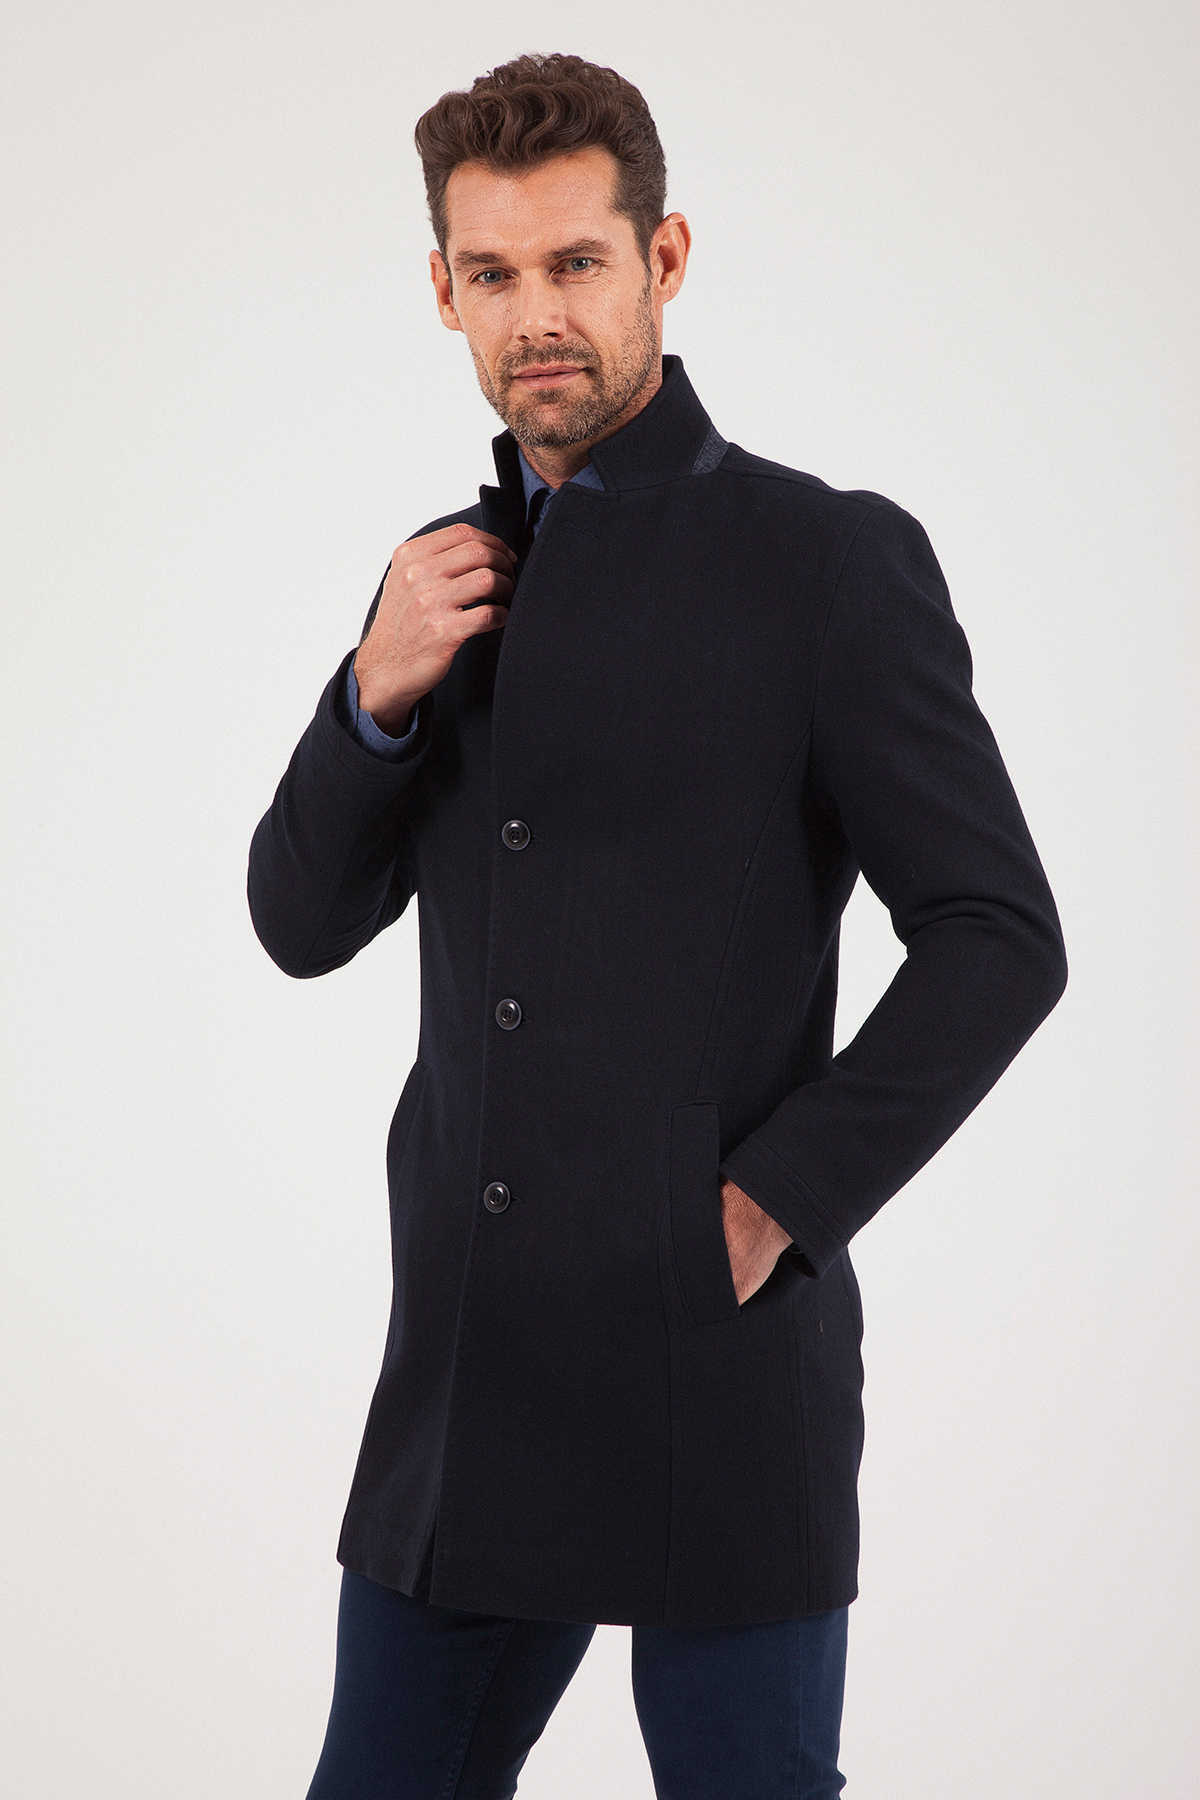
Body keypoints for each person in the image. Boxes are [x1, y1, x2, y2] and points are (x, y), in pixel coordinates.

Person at [247, 50, 1068, 1800]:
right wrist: (371, 694)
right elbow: (297, 924)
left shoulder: (827, 561)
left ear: (664, 258)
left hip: (715, 1361)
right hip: (472, 1374)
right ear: (444, 291)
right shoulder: (444, 582)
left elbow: (999, 931)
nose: (535, 315)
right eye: (492, 273)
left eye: (576, 263)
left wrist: (774, 1204)